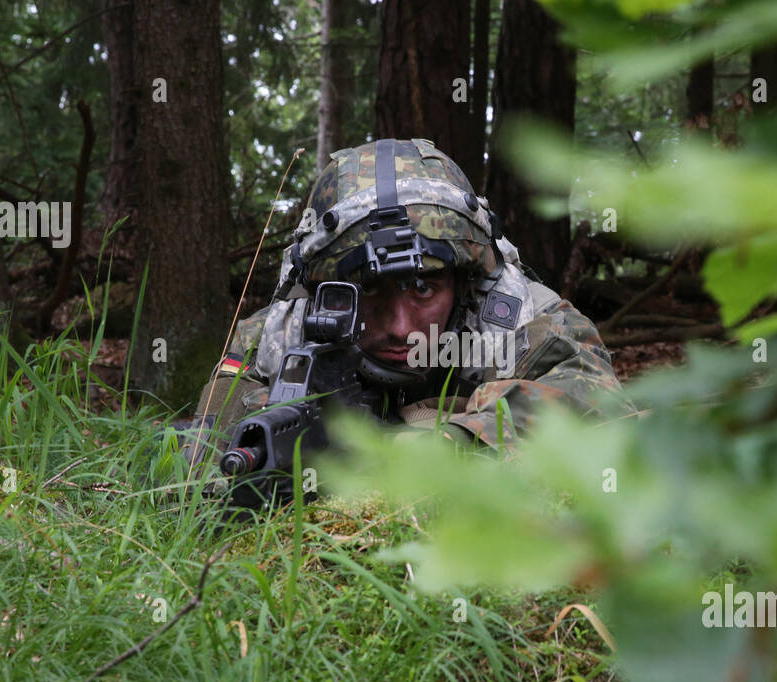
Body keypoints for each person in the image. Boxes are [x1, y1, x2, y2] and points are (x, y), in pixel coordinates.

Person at [182, 137, 630, 476]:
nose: (401, 328)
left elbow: (598, 399)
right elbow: (197, 454)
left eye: (422, 288)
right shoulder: (279, 336)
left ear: (465, 277)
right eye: (370, 291)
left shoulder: (519, 319)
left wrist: (459, 440)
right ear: (325, 289)